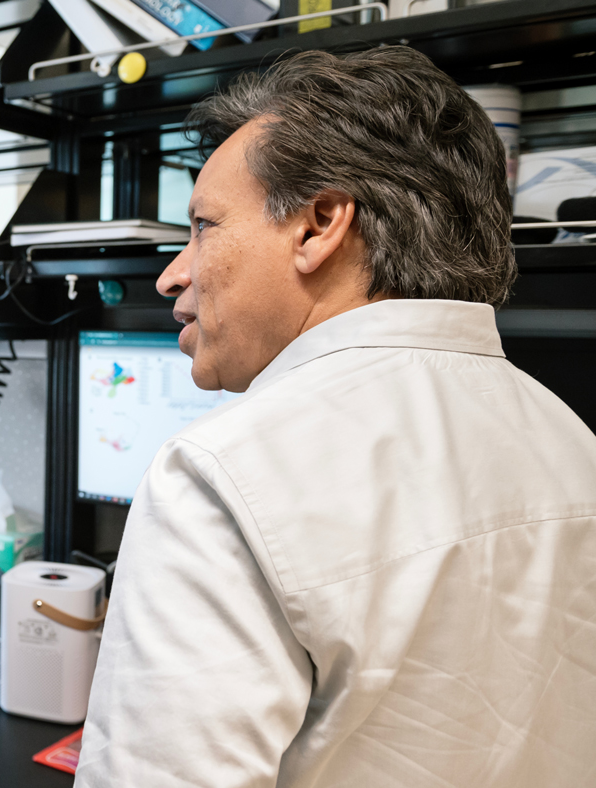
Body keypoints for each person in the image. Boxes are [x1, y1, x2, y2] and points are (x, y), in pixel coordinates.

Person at [77, 46, 596, 787]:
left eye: (203, 226)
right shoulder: (573, 442)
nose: (172, 273)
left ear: (319, 224)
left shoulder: (223, 478)